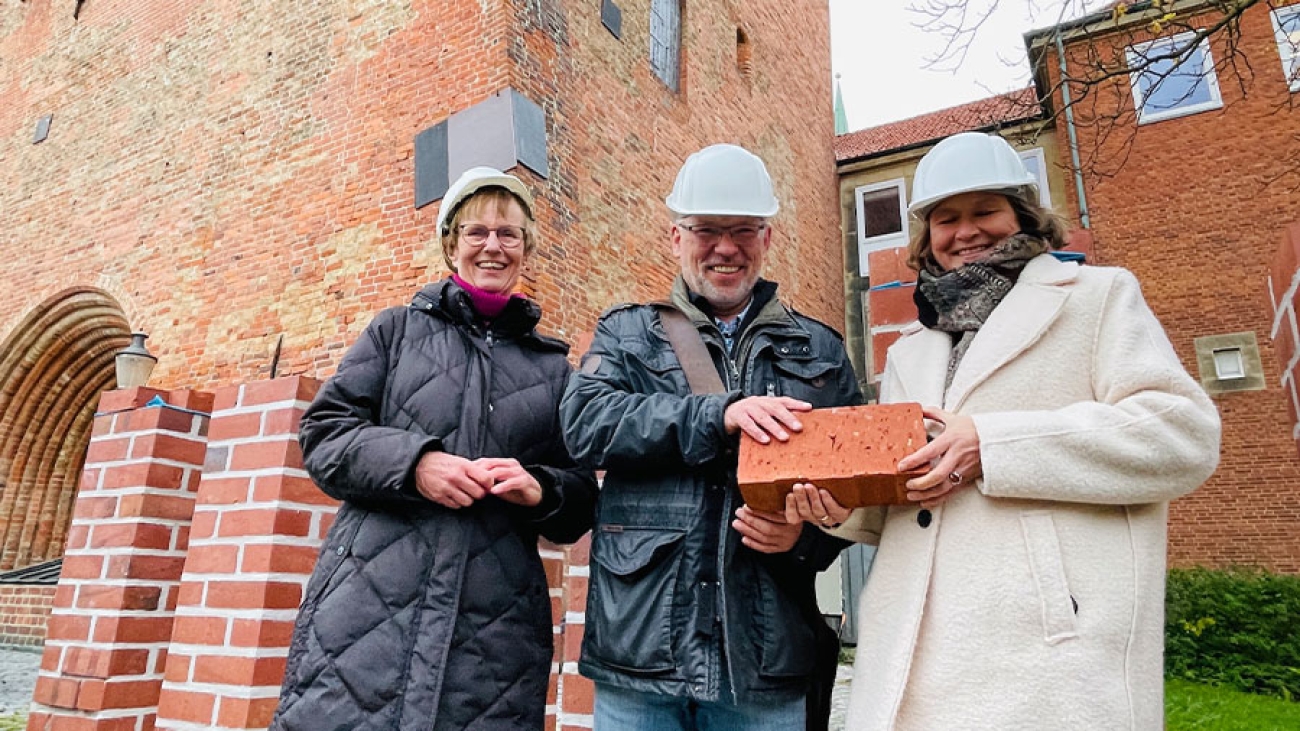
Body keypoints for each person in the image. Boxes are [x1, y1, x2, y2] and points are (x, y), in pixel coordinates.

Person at [790, 132, 1221, 730]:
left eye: (984, 210)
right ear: (927, 237)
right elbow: (906, 490)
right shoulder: (915, 347)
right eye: (946, 218)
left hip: (1041, 647)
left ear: (1023, 214)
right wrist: (836, 508)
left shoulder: (1096, 298)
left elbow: (1181, 435)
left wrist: (990, 445)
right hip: (916, 642)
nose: (965, 231)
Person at [271, 167, 597, 730]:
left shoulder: (553, 371)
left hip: (493, 637)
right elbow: (324, 434)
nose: (492, 245)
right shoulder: (395, 332)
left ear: (525, 249)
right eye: (476, 232)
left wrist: (539, 488)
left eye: (509, 233)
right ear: (451, 245)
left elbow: (579, 499)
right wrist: (415, 464)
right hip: (366, 620)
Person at [560, 143, 862, 731]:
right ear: (677, 238)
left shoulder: (820, 350)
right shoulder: (628, 333)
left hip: (765, 662)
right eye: (706, 230)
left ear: (767, 239)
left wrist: (805, 540)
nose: (726, 247)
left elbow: (855, 493)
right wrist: (716, 415)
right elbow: (584, 424)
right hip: (641, 654)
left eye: (744, 229)